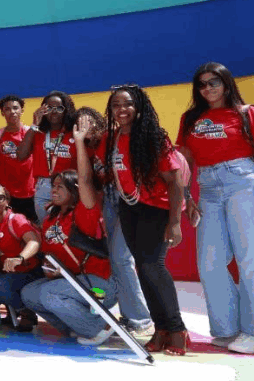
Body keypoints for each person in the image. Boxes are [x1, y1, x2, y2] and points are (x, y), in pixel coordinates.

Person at [177, 62, 254, 354]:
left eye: (214, 82)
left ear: (226, 83)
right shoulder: (190, 118)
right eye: (202, 84)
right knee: (209, 261)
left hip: (243, 182)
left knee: (251, 257)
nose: (208, 88)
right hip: (208, 187)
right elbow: (184, 163)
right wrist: (187, 198)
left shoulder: (248, 113)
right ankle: (228, 328)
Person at [94, 85, 190, 355]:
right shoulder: (111, 139)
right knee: (144, 270)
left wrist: (174, 222)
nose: (121, 110)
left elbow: (175, 181)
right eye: (116, 105)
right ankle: (161, 330)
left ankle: (177, 328)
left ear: (139, 107)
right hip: (129, 208)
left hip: (156, 210)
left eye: (127, 104)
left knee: (153, 266)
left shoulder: (153, 137)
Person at [76, 106, 153, 336]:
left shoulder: (113, 137)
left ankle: (141, 319)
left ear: (98, 121)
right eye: (78, 124)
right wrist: (80, 141)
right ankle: (131, 316)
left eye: (87, 121)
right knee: (118, 259)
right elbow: (86, 178)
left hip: (128, 197)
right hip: (110, 199)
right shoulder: (87, 148)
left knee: (122, 258)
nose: (83, 127)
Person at [21, 170, 117, 345]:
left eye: (60, 187)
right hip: (72, 281)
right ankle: (75, 326)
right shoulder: (51, 217)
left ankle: (99, 327)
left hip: (99, 285)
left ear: (75, 190)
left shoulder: (84, 211)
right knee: (29, 294)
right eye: (53, 186)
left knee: (48, 293)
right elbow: (51, 255)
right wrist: (51, 271)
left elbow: (87, 193)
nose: (54, 191)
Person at [0, 183, 42, 332]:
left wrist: (19, 258)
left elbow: (34, 241)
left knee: (0, 285)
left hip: (29, 273)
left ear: (7, 201)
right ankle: (13, 311)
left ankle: (26, 312)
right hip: (8, 274)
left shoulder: (15, 220)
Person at [15, 91, 78, 222]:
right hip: (44, 186)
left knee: (68, 227)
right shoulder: (38, 134)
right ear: (42, 110)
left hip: (69, 185)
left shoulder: (74, 133)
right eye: (49, 108)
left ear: (66, 111)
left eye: (59, 108)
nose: (54, 112)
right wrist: (34, 125)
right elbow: (20, 156)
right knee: (47, 228)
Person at [0, 95, 37, 223]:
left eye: (15, 108)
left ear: (22, 111)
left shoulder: (33, 133)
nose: (12, 112)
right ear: (2, 113)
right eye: (7, 109)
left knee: (33, 228)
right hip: (7, 195)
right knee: (9, 228)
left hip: (31, 193)